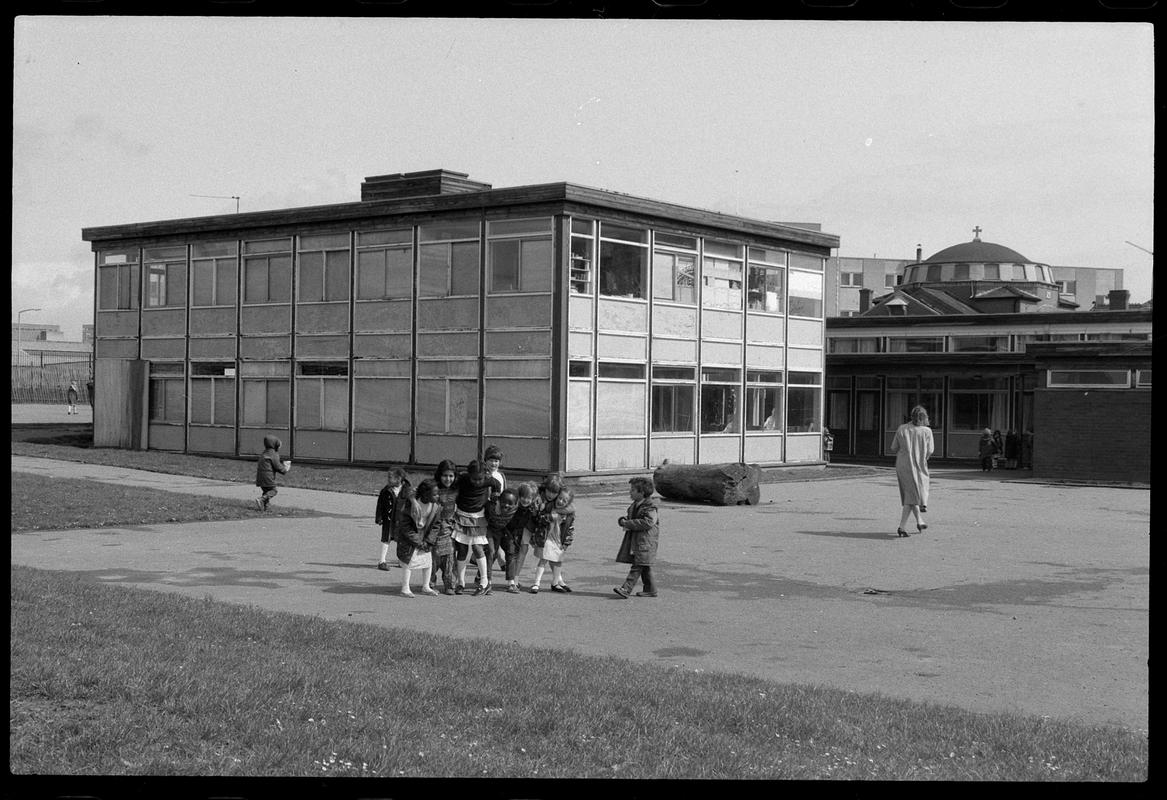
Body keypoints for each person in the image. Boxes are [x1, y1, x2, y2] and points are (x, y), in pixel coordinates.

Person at [453, 459, 500, 596]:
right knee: (462, 549)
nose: (477, 482)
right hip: (461, 515)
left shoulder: (489, 480)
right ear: (469, 475)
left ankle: (484, 582)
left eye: (480, 479)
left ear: (484, 475)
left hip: (478, 517)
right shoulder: (463, 479)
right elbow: (452, 486)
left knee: (478, 548)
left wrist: (494, 498)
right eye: (474, 479)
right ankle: (460, 582)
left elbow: (496, 485)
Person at [890, 405, 933, 537]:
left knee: (911, 494)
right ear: (924, 417)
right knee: (914, 495)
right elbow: (930, 450)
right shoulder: (926, 431)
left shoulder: (902, 429)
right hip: (918, 465)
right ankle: (902, 527)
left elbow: (893, 448)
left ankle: (919, 520)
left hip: (903, 465)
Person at [613, 476, 660, 598]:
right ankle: (651, 589)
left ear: (642, 492)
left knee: (637, 566)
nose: (630, 492)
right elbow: (632, 518)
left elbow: (648, 522)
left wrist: (627, 523)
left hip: (645, 542)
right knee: (644, 566)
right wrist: (623, 520)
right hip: (638, 541)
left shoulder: (650, 507)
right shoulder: (635, 505)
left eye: (633, 490)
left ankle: (626, 589)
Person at [529, 477, 576, 594]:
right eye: (560, 498)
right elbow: (539, 518)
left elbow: (570, 529)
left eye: (564, 501)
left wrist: (567, 542)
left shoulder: (569, 514)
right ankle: (536, 583)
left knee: (558, 561)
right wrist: (549, 517)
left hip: (559, 540)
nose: (560, 501)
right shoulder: (548, 506)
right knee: (544, 559)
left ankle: (556, 583)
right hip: (547, 538)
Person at [394, 479, 439, 597]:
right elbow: (405, 527)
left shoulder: (435, 507)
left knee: (428, 563)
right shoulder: (411, 505)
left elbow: (436, 525)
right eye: (434, 494)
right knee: (408, 563)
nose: (437, 496)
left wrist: (429, 541)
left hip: (425, 538)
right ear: (425, 494)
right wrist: (418, 542)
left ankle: (426, 586)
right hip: (411, 539)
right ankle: (405, 588)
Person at [429, 460, 459, 594]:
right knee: (433, 556)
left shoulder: (456, 489)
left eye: (451, 476)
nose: (448, 479)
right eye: (445, 475)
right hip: (434, 526)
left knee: (449, 555)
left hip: (450, 527)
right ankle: (430, 582)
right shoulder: (434, 489)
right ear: (439, 475)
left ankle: (450, 584)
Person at [503, 481, 540, 593]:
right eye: (523, 497)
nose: (525, 500)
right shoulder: (513, 505)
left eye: (529, 498)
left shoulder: (533, 508)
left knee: (521, 553)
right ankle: (511, 581)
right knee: (511, 554)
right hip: (511, 532)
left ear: (533, 498)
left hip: (525, 532)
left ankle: (515, 579)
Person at [374, 466, 411, 570]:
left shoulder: (407, 490)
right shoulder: (386, 491)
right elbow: (380, 504)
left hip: (402, 520)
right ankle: (382, 561)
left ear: (399, 479)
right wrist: (379, 517)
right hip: (388, 520)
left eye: (391, 477)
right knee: (386, 539)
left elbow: (411, 504)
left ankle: (401, 561)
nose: (388, 480)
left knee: (401, 541)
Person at [485, 489, 519, 591]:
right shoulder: (492, 507)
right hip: (490, 529)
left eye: (510, 503)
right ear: (499, 500)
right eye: (504, 502)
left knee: (511, 550)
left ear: (516, 504)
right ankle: (487, 580)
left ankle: (511, 582)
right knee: (491, 552)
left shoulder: (517, 509)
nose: (506, 505)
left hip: (504, 529)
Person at [254, 435, 291, 511]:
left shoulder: (265, 453)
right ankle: (261, 499)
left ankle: (265, 508)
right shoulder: (273, 454)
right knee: (273, 491)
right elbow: (277, 466)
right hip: (268, 477)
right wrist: (285, 469)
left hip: (260, 477)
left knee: (266, 492)